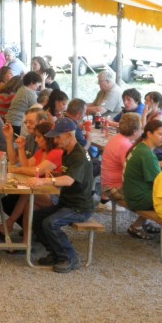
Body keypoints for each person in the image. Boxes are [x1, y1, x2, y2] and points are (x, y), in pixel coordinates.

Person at [28, 117, 95, 273]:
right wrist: (55, 174)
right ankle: (56, 253)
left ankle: (69, 257)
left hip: (80, 207)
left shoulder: (78, 155)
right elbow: (67, 173)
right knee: (36, 218)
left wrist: (45, 181)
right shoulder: (68, 151)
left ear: (69, 135)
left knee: (50, 223)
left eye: (58, 136)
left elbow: (69, 180)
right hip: (67, 203)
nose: (55, 140)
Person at [0, 121, 63, 242]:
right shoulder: (43, 151)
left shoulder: (56, 153)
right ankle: (25, 243)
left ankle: (9, 222)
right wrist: (21, 148)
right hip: (43, 191)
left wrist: (16, 169)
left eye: (39, 136)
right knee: (29, 203)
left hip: (55, 195)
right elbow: (27, 165)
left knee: (28, 192)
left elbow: (36, 171)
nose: (36, 140)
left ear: (47, 138)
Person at [123, 119, 162, 239]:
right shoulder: (146, 154)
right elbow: (159, 183)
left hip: (131, 193)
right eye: (160, 134)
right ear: (149, 133)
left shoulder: (140, 147)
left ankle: (139, 225)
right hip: (138, 198)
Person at [99, 112, 142, 212]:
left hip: (105, 185)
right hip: (114, 189)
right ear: (135, 131)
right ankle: (140, 224)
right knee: (148, 194)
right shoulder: (125, 145)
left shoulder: (116, 137)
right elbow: (131, 171)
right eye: (140, 128)